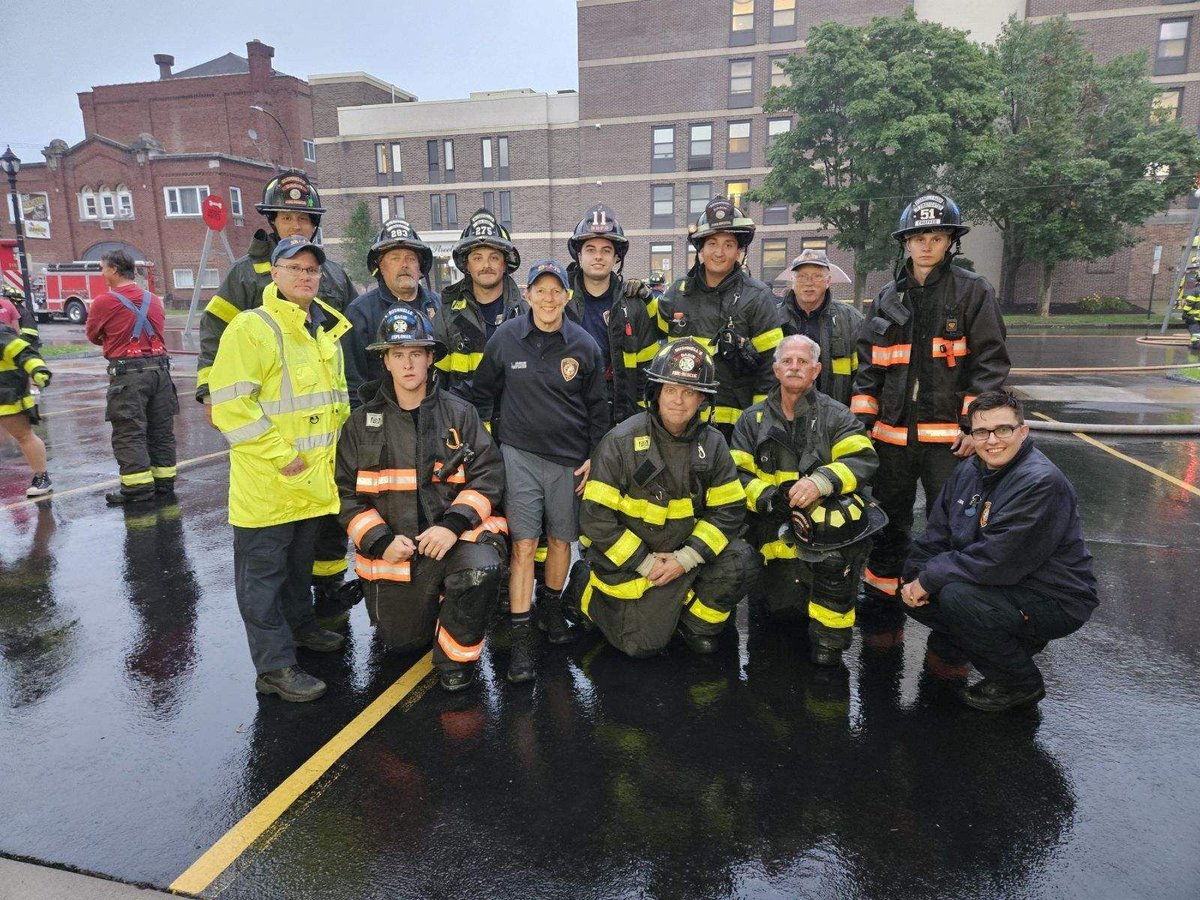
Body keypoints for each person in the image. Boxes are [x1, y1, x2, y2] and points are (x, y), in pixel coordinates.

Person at [195, 170, 359, 622]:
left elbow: (343, 342)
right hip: (271, 431)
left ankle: (321, 604)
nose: (296, 226)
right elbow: (215, 332)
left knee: (320, 528)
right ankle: (279, 647)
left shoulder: (336, 275)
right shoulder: (246, 275)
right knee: (273, 545)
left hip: (320, 431)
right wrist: (211, 391)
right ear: (271, 220)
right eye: (287, 217)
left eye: (305, 219)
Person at [851, 191, 1010, 646]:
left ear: (950, 243)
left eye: (936, 236)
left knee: (955, 526)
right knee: (887, 521)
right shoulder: (888, 296)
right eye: (918, 236)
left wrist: (972, 428)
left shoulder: (972, 292)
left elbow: (990, 365)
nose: (925, 245)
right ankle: (883, 599)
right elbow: (870, 366)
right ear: (906, 243)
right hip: (891, 439)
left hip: (949, 442)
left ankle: (948, 605)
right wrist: (864, 423)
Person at [208, 235, 351, 702]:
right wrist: (280, 456)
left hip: (311, 484)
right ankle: (273, 668)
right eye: (295, 268)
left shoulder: (321, 331)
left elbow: (335, 404)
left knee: (297, 569)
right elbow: (230, 407)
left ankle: (303, 629)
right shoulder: (254, 328)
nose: (306, 276)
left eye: (312, 270)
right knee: (262, 581)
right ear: (274, 273)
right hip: (270, 486)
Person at [335, 306, 506, 692]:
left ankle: (455, 662)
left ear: (431, 358)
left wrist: (452, 525)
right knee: (402, 644)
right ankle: (438, 603)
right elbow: (346, 495)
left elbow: (489, 477)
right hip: (395, 556)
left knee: (481, 570)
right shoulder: (360, 423)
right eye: (399, 355)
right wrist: (379, 541)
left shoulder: (459, 415)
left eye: (417, 353)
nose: (408, 364)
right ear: (386, 361)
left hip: (452, 544)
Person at [900, 390, 1099, 711]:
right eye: (981, 432)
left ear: (1023, 432)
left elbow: (997, 560)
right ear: (971, 435)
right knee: (914, 586)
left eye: (1003, 430)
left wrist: (930, 580)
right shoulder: (969, 471)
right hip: (1004, 582)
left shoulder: (1040, 482)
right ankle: (979, 638)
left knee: (957, 598)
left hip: (1054, 596)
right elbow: (937, 534)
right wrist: (914, 576)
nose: (992, 440)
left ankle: (1019, 682)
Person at [464, 260, 609, 683]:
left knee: (563, 541)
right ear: (526, 295)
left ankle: (550, 610)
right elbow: (482, 393)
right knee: (524, 545)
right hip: (519, 456)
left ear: (567, 296)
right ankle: (522, 637)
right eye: (540, 291)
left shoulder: (584, 345)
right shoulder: (505, 338)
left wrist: (593, 454)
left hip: (568, 461)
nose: (548, 299)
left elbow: (599, 407)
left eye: (556, 291)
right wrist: (490, 447)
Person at [570, 338, 756, 658]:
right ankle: (583, 589)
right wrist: (645, 563)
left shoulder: (713, 444)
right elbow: (595, 517)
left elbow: (729, 511)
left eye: (689, 392)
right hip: (633, 564)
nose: (679, 401)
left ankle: (695, 625)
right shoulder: (620, 441)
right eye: (671, 390)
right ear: (656, 393)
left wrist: (685, 559)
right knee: (642, 646)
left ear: (702, 399)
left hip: (682, 558)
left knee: (742, 560)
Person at [731, 335, 881, 665]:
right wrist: (767, 496)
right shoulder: (750, 420)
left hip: (825, 533)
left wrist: (821, 482)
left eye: (802, 362)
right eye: (787, 361)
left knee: (833, 563)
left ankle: (829, 642)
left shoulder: (837, 416)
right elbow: (735, 476)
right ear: (775, 369)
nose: (794, 367)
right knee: (778, 616)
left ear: (816, 371)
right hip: (771, 526)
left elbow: (863, 459)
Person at [656, 196, 783, 439]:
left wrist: (759, 417)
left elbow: (770, 367)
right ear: (701, 249)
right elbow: (655, 344)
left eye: (728, 244)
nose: (719, 252)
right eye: (712, 243)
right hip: (683, 420)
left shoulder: (757, 297)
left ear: (739, 251)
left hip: (737, 424)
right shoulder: (678, 292)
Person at [85, 250, 177, 505]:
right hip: (160, 373)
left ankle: (137, 489)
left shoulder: (104, 302)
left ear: (114, 269)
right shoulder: (154, 300)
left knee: (129, 431)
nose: (102, 273)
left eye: (103, 268)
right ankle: (164, 483)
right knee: (161, 430)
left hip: (128, 376)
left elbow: (93, 335)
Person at [565, 203, 660, 426]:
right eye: (590, 249)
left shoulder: (634, 304)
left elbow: (647, 369)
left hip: (621, 415)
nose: (598, 256)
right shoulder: (559, 301)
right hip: (570, 414)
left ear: (616, 257)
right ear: (579, 254)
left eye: (606, 250)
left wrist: (640, 419)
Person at [344, 219, 441, 406]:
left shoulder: (438, 305)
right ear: (380, 267)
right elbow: (353, 383)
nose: (404, 265)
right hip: (385, 418)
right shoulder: (360, 313)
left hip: (435, 412)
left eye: (411, 258)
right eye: (395, 258)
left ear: (420, 267)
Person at [432, 209, 526, 396]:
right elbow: (436, 382)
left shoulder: (525, 314)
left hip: (512, 422)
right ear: (466, 265)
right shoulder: (447, 316)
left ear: (505, 263)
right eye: (477, 258)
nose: (486, 266)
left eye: (494, 257)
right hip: (463, 422)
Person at [777, 249, 863, 407]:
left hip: (835, 418)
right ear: (792, 281)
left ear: (828, 280)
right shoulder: (773, 318)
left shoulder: (851, 320)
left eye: (817, 276)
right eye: (802, 276)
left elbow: (863, 375)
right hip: (784, 415)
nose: (809, 282)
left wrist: (854, 418)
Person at [0, 292, 51, 497]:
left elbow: (25, 353)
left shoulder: (2, 334)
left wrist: (39, 371)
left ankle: (42, 477)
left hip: (7, 393)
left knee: (23, 435)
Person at [1179, 277, 1200, 350]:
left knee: (1194, 330)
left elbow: (1190, 304)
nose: (1188, 285)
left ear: (1196, 283)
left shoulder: (1194, 291)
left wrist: (1185, 313)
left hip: (1195, 316)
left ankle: (1196, 345)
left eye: (1190, 283)